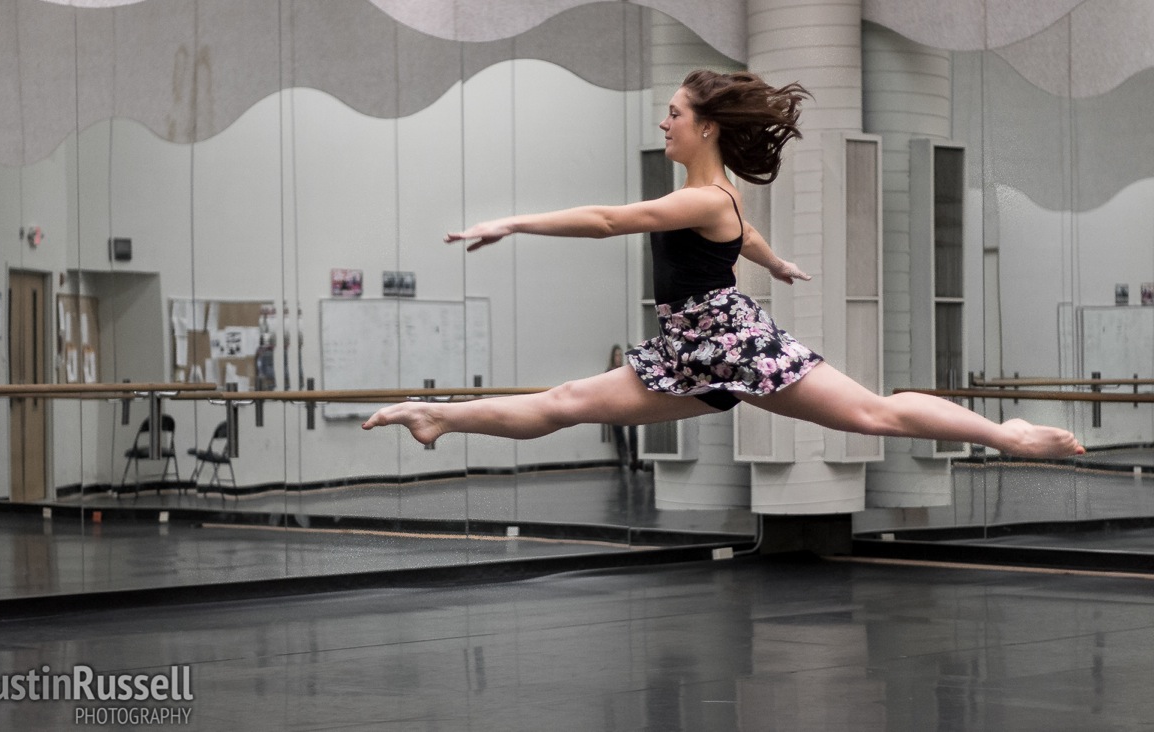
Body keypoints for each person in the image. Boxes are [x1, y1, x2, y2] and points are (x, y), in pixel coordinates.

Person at [364, 69, 1084, 460]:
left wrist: (512, 221)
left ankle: (1006, 434)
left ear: (704, 126)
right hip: (688, 348)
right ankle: (437, 417)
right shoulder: (715, 198)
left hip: (730, 342)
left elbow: (614, 221)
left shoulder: (703, 198)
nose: (663, 121)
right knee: (564, 407)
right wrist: (776, 263)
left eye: (673, 112)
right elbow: (742, 236)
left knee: (874, 415)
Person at [605, 344, 639, 469]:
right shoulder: (609, 372)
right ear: (613, 357)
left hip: (628, 405)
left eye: (620, 355)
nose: (618, 357)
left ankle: (634, 460)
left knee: (633, 434)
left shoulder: (627, 371)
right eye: (617, 355)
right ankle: (623, 460)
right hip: (615, 407)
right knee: (619, 434)